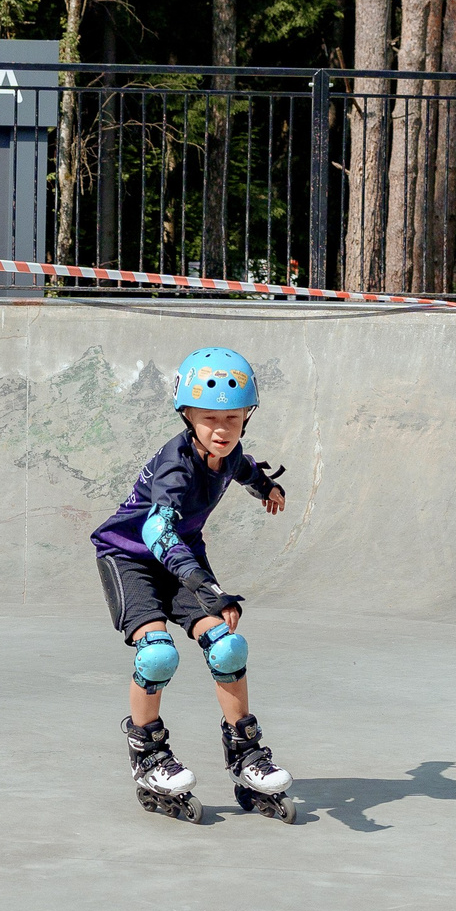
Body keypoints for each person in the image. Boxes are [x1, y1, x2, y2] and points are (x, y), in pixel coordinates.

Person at [90, 348, 296, 822]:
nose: (221, 430)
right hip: (129, 558)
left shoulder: (230, 452)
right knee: (157, 653)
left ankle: (246, 754)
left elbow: (242, 468)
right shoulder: (175, 466)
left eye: (233, 418)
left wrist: (265, 488)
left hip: (183, 556)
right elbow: (154, 531)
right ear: (187, 416)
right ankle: (149, 756)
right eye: (209, 419)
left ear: (247, 416)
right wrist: (205, 584)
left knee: (228, 647)